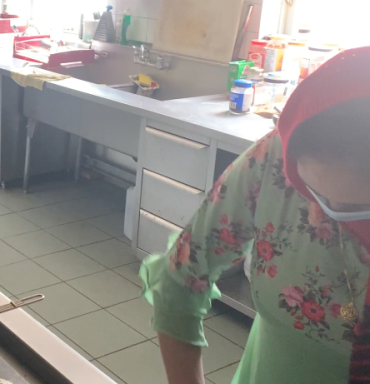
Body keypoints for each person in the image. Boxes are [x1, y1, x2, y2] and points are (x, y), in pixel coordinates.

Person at [142, 46, 370, 383]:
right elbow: (181, 277)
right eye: (304, 188)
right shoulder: (282, 153)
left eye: (349, 208)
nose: (314, 217)